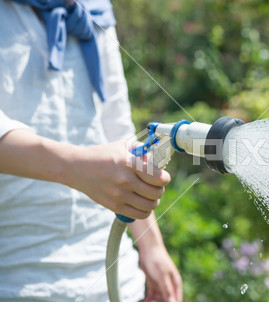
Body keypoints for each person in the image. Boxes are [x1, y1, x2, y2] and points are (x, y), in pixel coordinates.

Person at [0, 0, 182, 301]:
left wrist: (151, 247)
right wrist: (75, 167)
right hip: (17, 282)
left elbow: (117, 127)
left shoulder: (93, 9)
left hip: (116, 279)